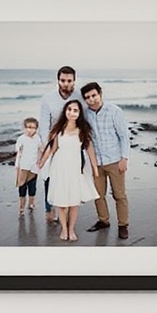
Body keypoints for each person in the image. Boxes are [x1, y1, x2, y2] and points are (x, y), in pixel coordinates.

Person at [37, 96, 99, 244]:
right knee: (61, 201)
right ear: (65, 111)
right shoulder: (59, 129)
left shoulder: (82, 130)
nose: (72, 113)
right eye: (69, 109)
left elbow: (90, 150)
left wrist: (95, 168)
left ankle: (71, 229)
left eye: (75, 110)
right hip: (59, 168)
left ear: (79, 113)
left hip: (74, 168)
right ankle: (64, 228)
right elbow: (52, 148)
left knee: (73, 201)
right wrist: (41, 162)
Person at [81, 78, 131, 238]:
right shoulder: (85, 114)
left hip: (115, 161)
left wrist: (124, 158)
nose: (91, 99)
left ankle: (123, 224)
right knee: (98, 194)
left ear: (100, 94)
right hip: (96, 163)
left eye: (93, 95)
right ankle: (103, 220)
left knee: (119, 195)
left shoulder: (114, 111)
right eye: (87, 97)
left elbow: (124, 136)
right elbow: (86, 139)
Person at [14, 115, 43, 212]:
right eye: (28, 127)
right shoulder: (21, 138)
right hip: (23, 167)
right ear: (24, 128)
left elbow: (41, 149)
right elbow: (17, 149)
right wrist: (19, 149)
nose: (30, 130)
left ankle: (31, 203)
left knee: (32, 187)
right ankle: (21, 206)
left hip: (33, 167)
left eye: (33, 128)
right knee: (22, 187)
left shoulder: (37, 138)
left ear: (36, 129)